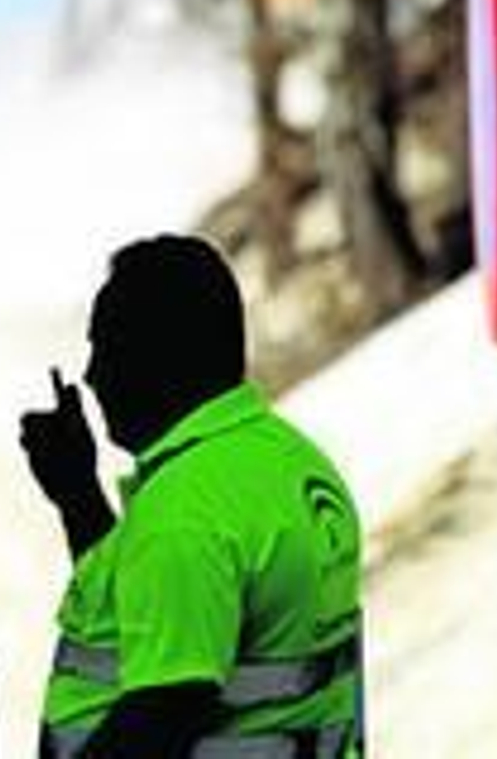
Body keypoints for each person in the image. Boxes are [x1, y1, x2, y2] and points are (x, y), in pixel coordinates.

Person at [19, 234, 365, 759]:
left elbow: (159, 718)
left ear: (160, 358)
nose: (91, 375)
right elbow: (146, 615)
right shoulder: (289, 460)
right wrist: (78, 496)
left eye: (106, 348)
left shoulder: (184, 513)